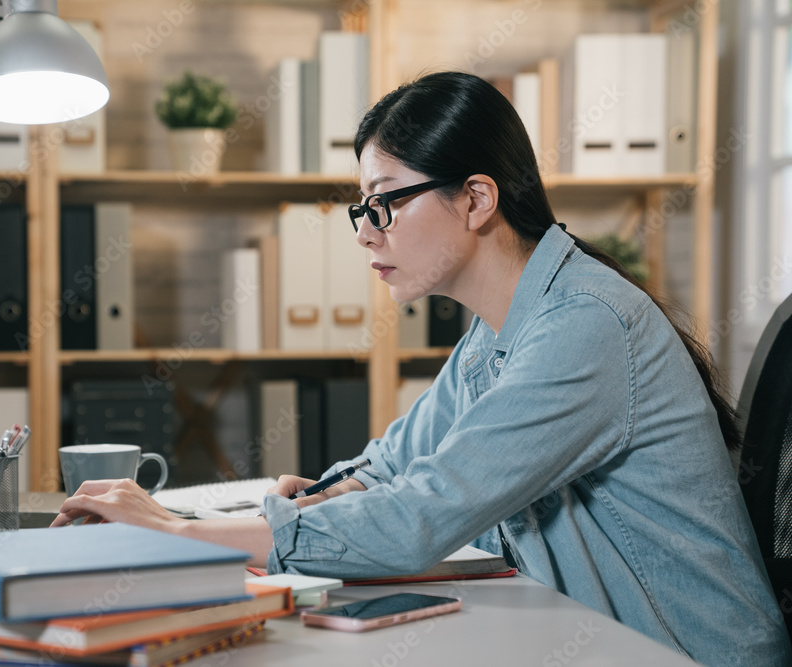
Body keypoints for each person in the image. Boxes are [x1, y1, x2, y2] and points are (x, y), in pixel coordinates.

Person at [52, 71, 790, 665]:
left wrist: (181, 537)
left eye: (386, 204)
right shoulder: (496, 332)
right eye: (361, 210)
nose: (368, 234)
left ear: (475, 199)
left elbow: (421, 513)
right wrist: (298, 503)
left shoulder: (585, 326)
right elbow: (390, 467)